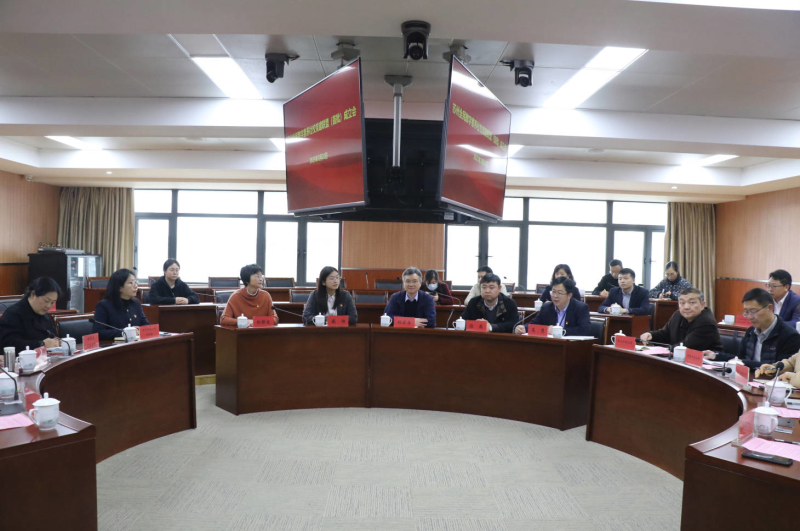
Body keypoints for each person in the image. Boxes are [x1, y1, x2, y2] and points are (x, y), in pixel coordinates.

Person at [709, 288, 800, 369]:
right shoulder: (750, 331)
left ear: (770, 308)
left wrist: (745, 363)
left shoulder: (790, 335)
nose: (750, 317)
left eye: (753, 311)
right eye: (746, 312)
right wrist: (716, 356)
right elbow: (739, 360)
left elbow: (779, 369)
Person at [640, 288, 722, 351]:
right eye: (682, 303)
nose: (686, 307)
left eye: (692, 303)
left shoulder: (707, 322)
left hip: (708, 364)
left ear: (702, 305)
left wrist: (663, 350)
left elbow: (686, 347)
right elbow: (665, 334)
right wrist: (651, 335)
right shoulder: (677, 315)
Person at [0, 277, 61, 351]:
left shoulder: (45, 316)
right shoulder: (13, 314)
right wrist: (41, 344)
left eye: (52, 302)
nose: (48, 306)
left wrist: (56, 342)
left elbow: (52, 336)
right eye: (46, 301)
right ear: (33, 294)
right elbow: (9, 343)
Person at [515, 277, 590, 336]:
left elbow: (585, 330)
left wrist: (561, 331)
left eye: (559, 293)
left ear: (569, 295)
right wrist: (524, 328)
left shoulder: (580, 308)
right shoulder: (547, 307)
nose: (555, 296)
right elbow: (535, 323)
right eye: (553, 292)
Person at [93, 269, 151, 340]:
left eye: (136, 282)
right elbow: (98, 332)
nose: (135, 286)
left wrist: (141, 330)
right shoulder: (104, 305)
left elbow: (146, 325)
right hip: (114, 345)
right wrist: (124, 332)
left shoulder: (136, 303)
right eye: (131, 283)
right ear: (120, 287)